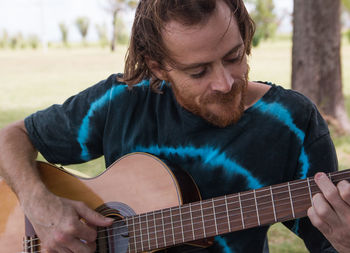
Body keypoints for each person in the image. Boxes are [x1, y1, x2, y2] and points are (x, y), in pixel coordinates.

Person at [0, 0, 350, 252]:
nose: (226, 82)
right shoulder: (122, 100)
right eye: (198, 72)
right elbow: (11, 137)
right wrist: (38, 203)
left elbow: (327, 243)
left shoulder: (291, 123)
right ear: (157, 67)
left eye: (234, 57)